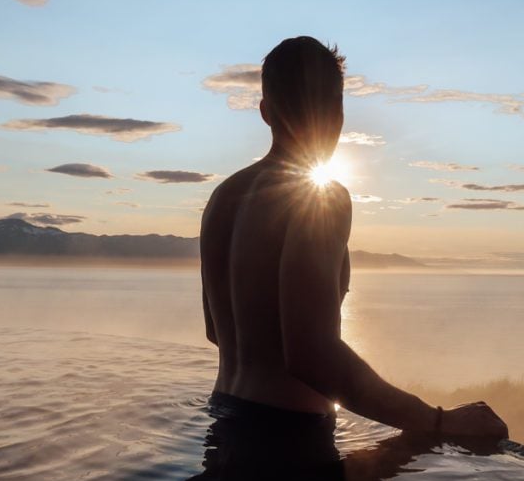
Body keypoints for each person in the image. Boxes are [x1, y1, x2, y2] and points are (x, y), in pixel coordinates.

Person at [199, 35, 508, 438]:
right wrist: (438, 421)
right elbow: (311, 354)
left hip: (223, 419)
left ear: (265, 111)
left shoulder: (224, 197)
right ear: (338, 109)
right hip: (288, 441)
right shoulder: (320, 195)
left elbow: (215, 331)